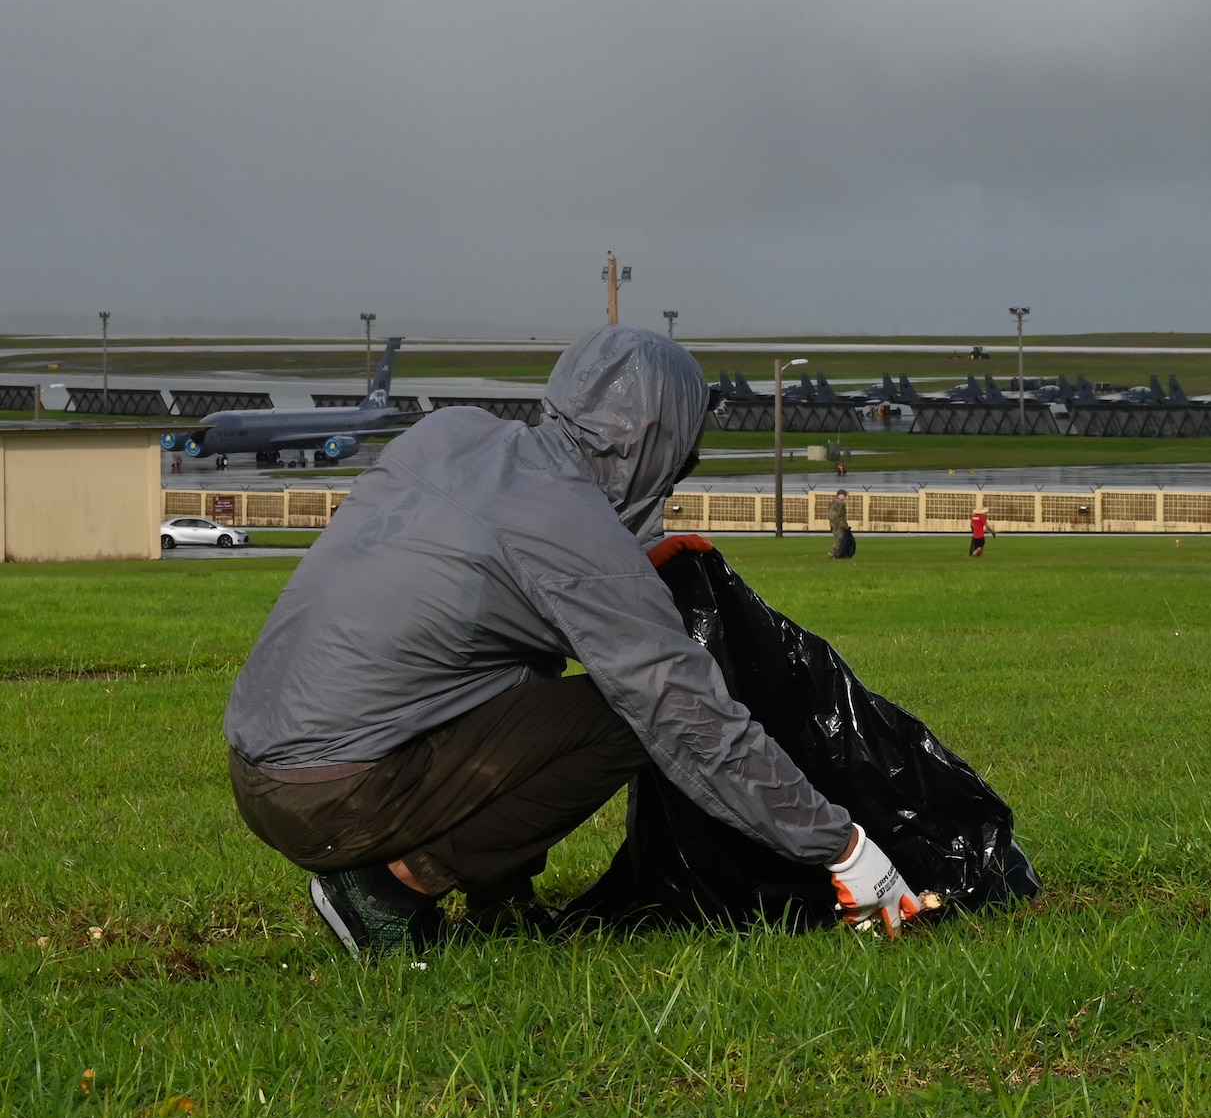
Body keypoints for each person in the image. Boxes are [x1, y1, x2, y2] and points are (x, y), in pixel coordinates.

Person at [224, 326, 922, 956]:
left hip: (259, 762)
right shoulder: (573, 533)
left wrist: (635, 564)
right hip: (328, 796)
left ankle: (500, 899)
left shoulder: (454, 436)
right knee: (637, 717)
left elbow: (502, 579)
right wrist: (843, 846)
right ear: (658, 441)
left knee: (522, 667)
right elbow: (690, 718)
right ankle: (389, 890)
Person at [827, 488, 855, 559]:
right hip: (839, 525)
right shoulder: (840, 504)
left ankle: (835, 554)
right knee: (840, 539)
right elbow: (841, 516)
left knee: (839, 539)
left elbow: (832, 516)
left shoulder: (833, 503)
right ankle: (834, 553)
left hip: (834, 524)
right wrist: (844, 525)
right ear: (840, 495)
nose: (846, 497)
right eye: (845, 495)